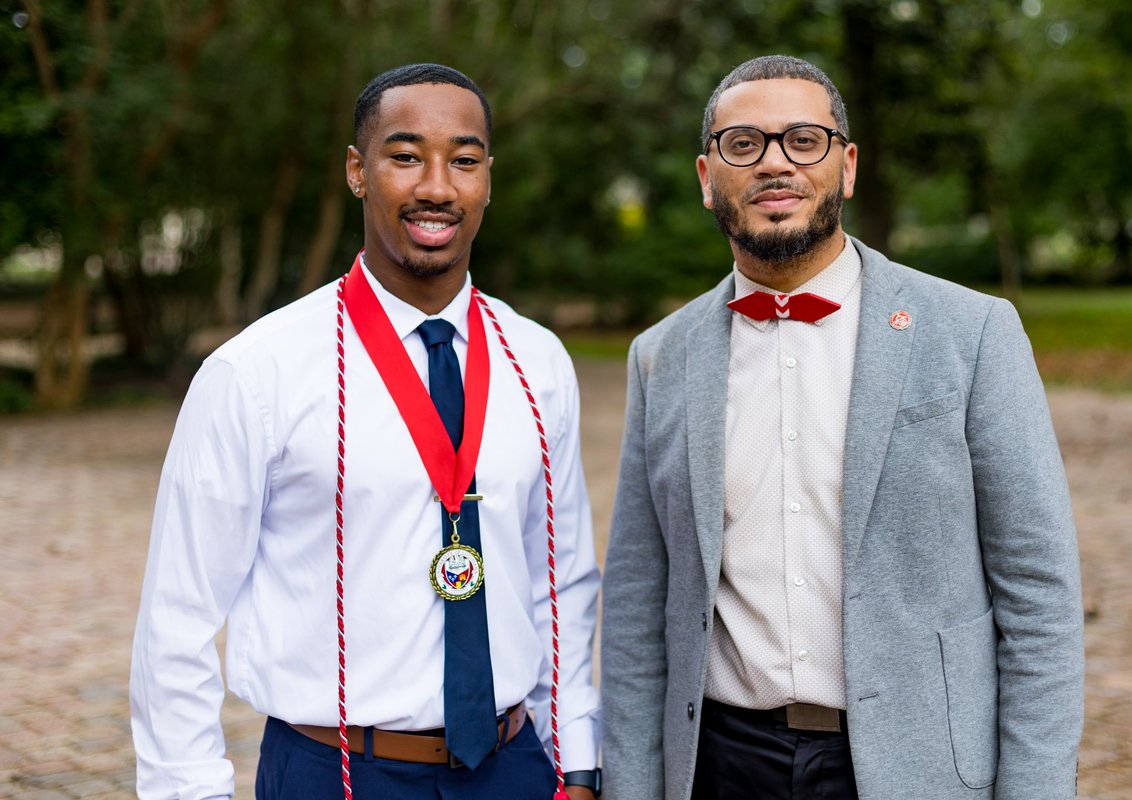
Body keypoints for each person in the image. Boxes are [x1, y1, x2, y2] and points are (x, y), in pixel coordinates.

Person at [600, 55, 1084, 800]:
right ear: (706, 177)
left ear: (846, 166)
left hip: (918, 766)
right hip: (719, 766)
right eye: (743, 144)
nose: (774, 164)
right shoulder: (660, 357)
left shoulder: (973, 331)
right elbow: (637, 604)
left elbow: (1038, 593)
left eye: (803, 140)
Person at [131, 64, 601, 800]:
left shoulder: (536, 359)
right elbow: (178, 616)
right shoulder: (257, 370)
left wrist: (577, 760)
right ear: (358, 170)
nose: (437, 187)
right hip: (336, 770)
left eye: (465, 161)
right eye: (406, 156)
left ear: (487, 179)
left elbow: (562, 579)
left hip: (513, 767)